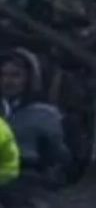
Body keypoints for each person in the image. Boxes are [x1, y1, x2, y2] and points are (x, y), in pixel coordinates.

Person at [0, 50, 71, 191]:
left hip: (27, 179)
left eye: (15, 75)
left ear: (28, 78)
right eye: (2, 75)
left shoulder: (44, 113)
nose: (7, 81)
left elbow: (61, 155)